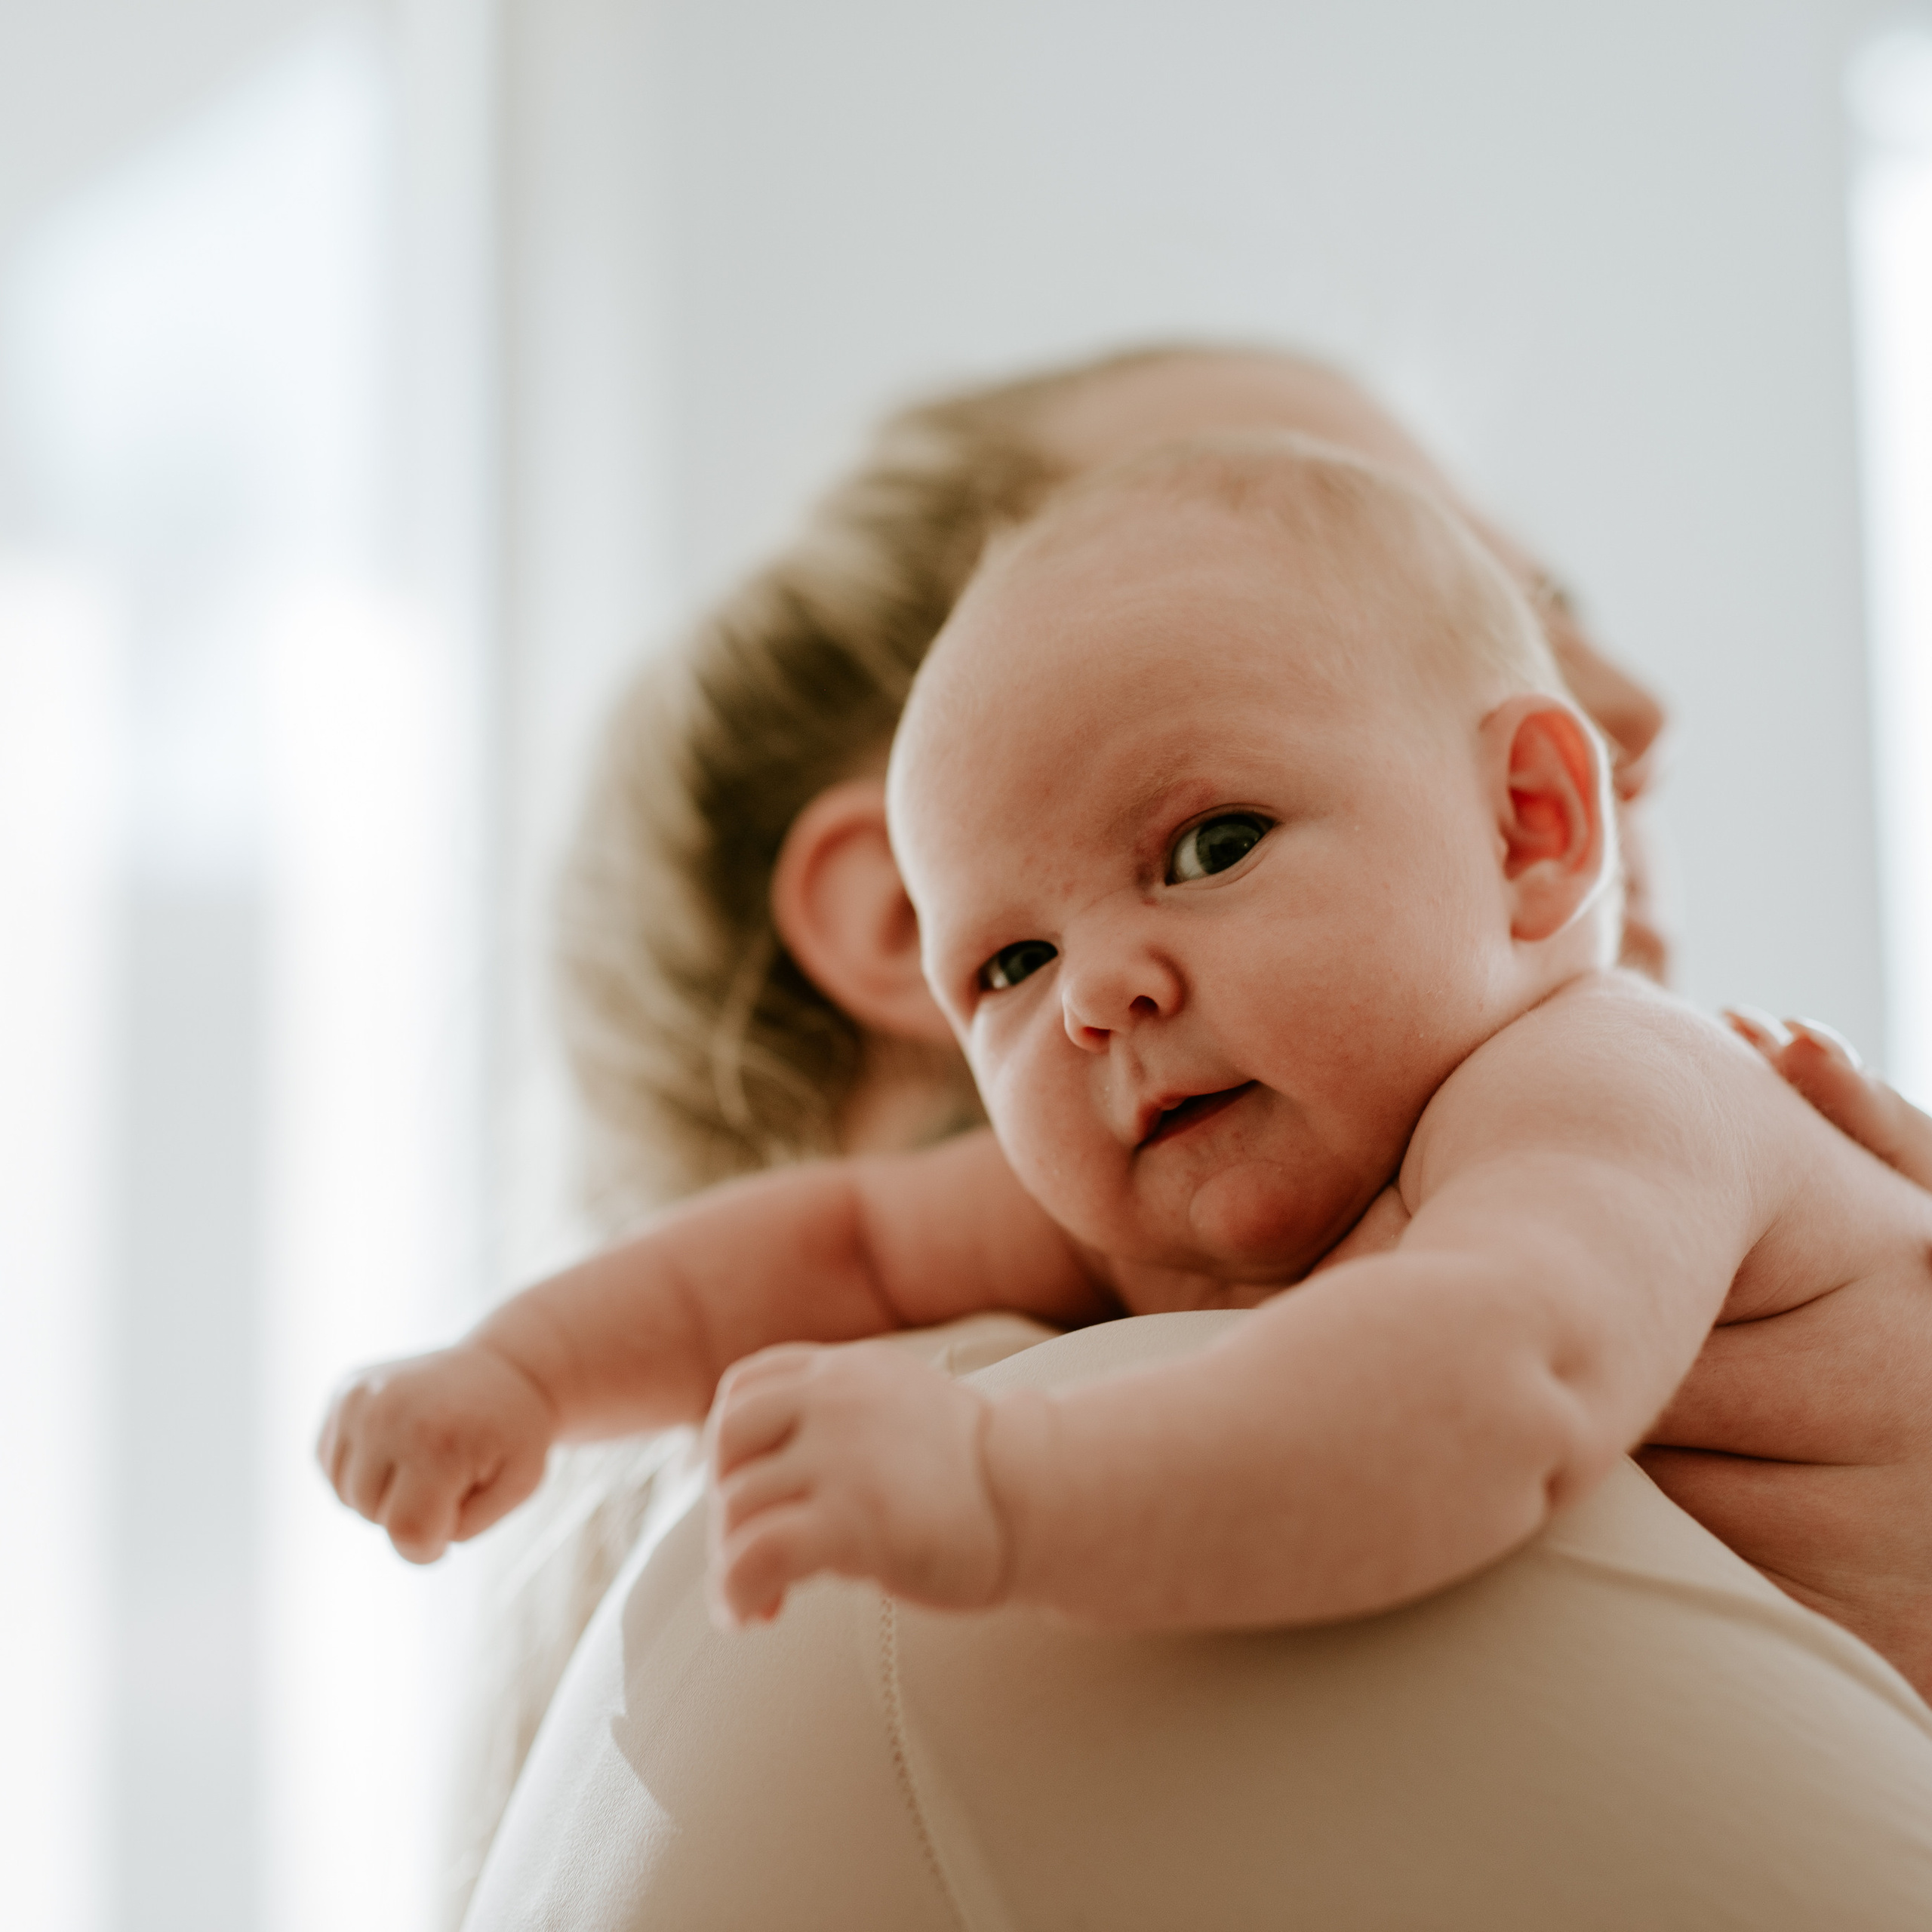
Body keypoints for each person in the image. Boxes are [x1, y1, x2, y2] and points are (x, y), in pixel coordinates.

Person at [428, 345, 1932, 1927]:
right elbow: (850, 1244)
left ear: (1525, 816)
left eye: (1548, 598)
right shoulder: (1019, 1486)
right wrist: (526, 1374)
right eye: (1009, 957)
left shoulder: (1591, 1088)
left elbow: (850, 1245)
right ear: (900, 911)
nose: (1633, 706)